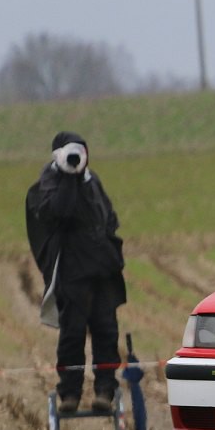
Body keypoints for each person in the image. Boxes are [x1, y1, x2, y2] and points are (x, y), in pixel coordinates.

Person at [24, 131, 127, 415]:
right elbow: (58, 213)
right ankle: (69, 392)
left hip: (101, 271)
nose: (77, 159)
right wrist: (68, 177)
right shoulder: (48, 184)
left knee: (107, 331)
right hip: (72, 273)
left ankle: (105, 390)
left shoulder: (92, 181)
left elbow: (109, 217)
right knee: (72, 334)